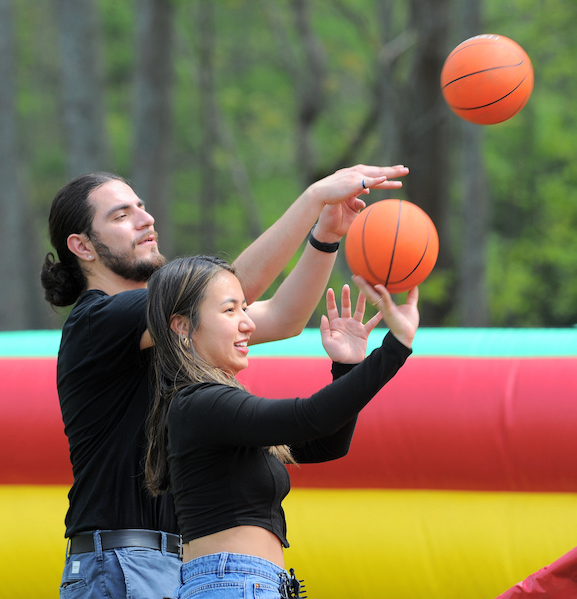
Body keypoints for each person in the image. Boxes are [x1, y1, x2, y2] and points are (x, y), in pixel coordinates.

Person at [40, 165, 408, 598]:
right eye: (121, 215)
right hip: (122, 561)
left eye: (142, 207)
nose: (145, 218)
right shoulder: (96, 320)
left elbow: (286, 318)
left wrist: (326, 235)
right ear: (82, 246)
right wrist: (312, 199)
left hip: (179, 563)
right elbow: (226, 293)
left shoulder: (175, 329)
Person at [144, 255, 419, 598]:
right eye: (230, 311)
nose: (248, 324)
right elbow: (310, 417)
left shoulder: (207, 407)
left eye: (245, 309)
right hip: (233, 584)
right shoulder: (198, 403)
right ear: (182, 326)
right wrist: (395, 346)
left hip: (249, 583)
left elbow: (327, 445)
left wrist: (347, 367)